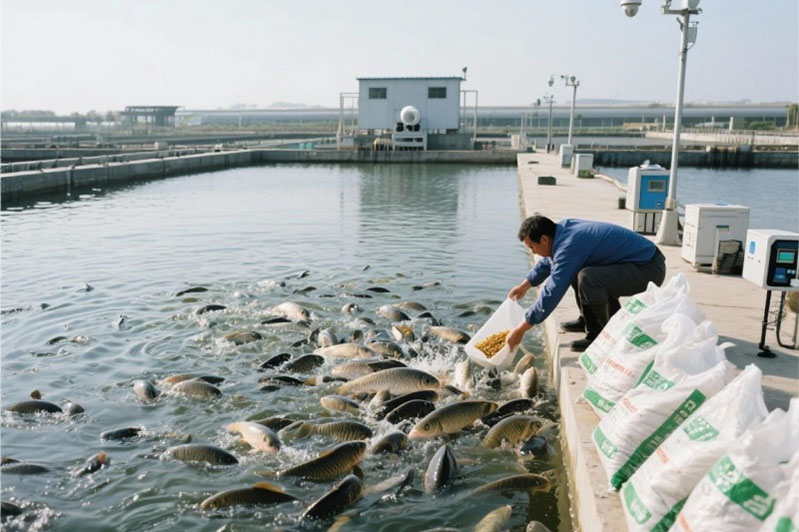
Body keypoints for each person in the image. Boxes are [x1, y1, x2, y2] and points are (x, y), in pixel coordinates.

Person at [506, 214, 666, 352]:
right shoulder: (562, 232)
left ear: (544, 239)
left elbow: (552, 291)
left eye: (532, 247)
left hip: (648, 269)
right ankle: (587, 319)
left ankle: (598, 333)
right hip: (639, 262)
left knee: (588, 277)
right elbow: (549, 261)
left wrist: (522, 328)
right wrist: (525, 285)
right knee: (577, 271)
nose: (533, 252)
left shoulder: (569, 245)